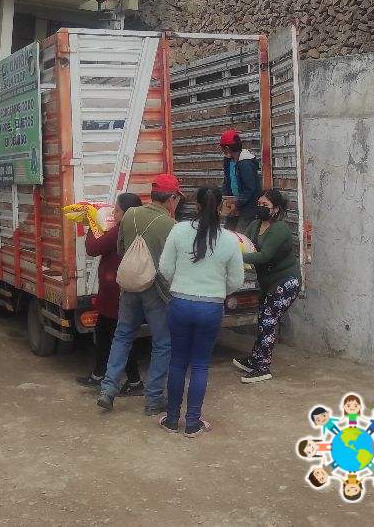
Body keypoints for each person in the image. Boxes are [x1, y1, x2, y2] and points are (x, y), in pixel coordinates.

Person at [156, 186, 245, 437]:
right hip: (210, 307)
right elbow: (236, 281)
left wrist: (182, 283)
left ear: (195, 205)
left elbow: (164, 267)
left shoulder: (179, 230)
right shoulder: (229, 239)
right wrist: (217, 290)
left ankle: (172, 419)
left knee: (177, 361)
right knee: (200, 365)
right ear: (220, 207)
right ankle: (193, 423)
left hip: (180, 303)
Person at [96, 174, 183, 415]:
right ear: (171, 198)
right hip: (155, 290)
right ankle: (153, 399)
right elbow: (171, 265)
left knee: (122, 336)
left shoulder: (131, 214)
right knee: (162, 344)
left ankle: (108, 389)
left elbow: (121, 248)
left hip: (129, 287)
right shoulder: (171, 226)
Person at [76, 193, 145, 395]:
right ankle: (100, 373)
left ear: (126, 213)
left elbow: (92, 248)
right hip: (122, 291)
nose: (113, 213)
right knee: (107, 333)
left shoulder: (118, 231)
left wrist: (92, 223)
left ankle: (133, 381)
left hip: (115, 292)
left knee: (119, 337)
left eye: (116, 210)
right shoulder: (139, 228)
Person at [233, 188, 301, 383]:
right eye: (259, 204)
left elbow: (264, 256)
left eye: (266, 206)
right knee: (263, 319)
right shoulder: (255, 225)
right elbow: (244, 243)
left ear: (276, 209)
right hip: (269, 283)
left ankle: (262, 367)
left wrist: (235, 256)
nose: (261, 208)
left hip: (285, 282)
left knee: (268, 322)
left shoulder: (280, 229)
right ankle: (255, 360)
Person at [219, 129, 261, 228]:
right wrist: (223, 199)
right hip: (233, 205)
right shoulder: (229, 161)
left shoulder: (245, 163)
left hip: (247, 209)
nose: (222, 151)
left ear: (227, 148)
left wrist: (237, 204)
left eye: (222, 148)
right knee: (229, 234)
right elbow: (227, 182)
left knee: (241, 236)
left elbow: (250, 188)